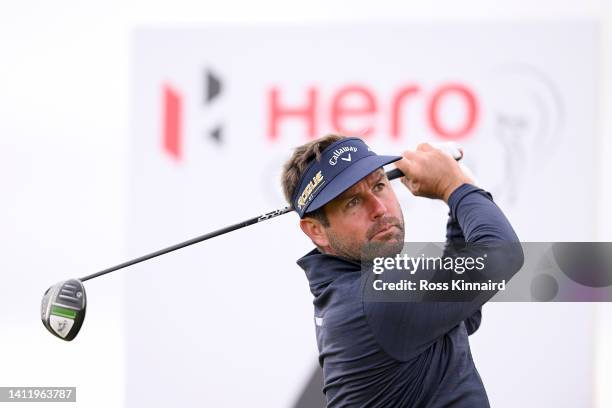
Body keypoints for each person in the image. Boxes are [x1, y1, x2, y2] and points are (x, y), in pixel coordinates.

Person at [281, 134, 523, 407]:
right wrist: (454, 186)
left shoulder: (359, 292)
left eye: (379, 185)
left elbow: (462, 314)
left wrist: (459, 194)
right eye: (353, 202)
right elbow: (502, 255)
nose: (379, 208)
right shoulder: (376, 297)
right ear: (316, 231)